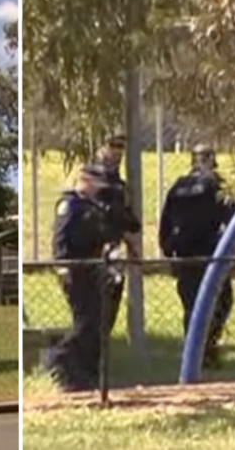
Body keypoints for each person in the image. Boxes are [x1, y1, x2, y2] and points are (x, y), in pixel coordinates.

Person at [158, 143, 235, 368]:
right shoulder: (217, 185)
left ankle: (193, 355)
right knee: (221, 301)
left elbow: (166, 222)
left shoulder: (178, 187)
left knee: (191, 305)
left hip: (184, 255)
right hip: (212, 255)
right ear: (212, 160)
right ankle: (207, 351)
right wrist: (234, 250)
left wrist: (167, 251)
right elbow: (232, 219)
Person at [47, 164, 117, 391]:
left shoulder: (92, 206)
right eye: (96, 184)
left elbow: (103, 234)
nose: (99, 189)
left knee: (94, 321)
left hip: (92, 268)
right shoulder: (70, 204)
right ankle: (60, 358)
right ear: (84, 180)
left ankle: (80, 373)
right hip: (75, 269)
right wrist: (62, 265)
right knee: (85, 321)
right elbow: (61, 237)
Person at [92, 133, 140, 331]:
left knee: (111, 305)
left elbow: (125, 216)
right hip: (94, 250)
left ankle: (103, 349)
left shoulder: (118, 184)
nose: (117, 151)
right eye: (113, 145)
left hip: (114, 251)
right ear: (101, 148)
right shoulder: (92, 179)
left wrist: (131, 233)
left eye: (121, 146)